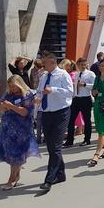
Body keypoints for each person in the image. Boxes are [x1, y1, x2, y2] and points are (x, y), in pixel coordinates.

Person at [34, 51, 73, 191]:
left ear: (52, 62)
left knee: (55, 147)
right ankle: (61, 174)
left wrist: (54, 89)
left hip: (60, 113)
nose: (42, 65)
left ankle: (49, 180)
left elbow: (70, 92)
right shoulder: (44, 76)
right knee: (51, 146)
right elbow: (40, 91)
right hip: (46, 113)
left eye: (45, 63)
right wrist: (38, 98)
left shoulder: (63, 75)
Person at [0, 75, 40, 190]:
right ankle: (16, 174)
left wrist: (11, 106)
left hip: (22, 129)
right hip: (7, 128)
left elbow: (25, 112)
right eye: (10, 86)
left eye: (14, 86)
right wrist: (3, 107)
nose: (13, 89)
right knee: (10, 154)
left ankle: (11, 179)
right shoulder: (8, 94)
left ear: (20, 84)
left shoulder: (27, 95)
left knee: (16, 153)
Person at [64, 58, 95, 147]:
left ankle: (87, 139)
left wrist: (85, 85)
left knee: (87, 120)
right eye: (80, 65)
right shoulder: (77, 74)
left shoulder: (90, 74)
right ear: (77, 65)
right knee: (71, 120)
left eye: (84, 64)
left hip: (86, 98)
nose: (82, 66)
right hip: (76, 99)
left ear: (86, 65)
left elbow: (95, 85)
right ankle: (70, 140)